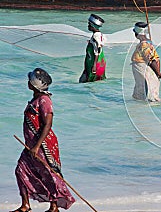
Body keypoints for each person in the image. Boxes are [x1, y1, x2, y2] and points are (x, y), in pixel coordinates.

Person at [12, 68, 75, 212]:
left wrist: (37, 146)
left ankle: (54, 206)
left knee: (49, 174)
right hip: (31, 144)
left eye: (30, 81)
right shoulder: (35, 99)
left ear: (34, 85)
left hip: (43, 145)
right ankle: (25, 205)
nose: (28, 83)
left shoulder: (44, 101)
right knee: (21, 170)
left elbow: (48, 124)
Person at [131, 22, 161, 101]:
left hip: (144, 71)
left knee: (146, 93)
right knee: (144, 91)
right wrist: (158, 72)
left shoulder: (144, 45)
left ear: (137, 34)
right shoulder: (148, 43)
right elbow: (157, 58)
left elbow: (152, 60)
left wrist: (158, 73)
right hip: (144, 72)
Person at [79, 14, 107, 83]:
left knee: (84, 81)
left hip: (93, 62)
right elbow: (100, 45)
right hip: (100, 62)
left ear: (93, 26)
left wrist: (94, 66)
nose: (88, 26)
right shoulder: (100, 35)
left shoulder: (95, 37)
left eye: (89, 24)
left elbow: (97, 51)